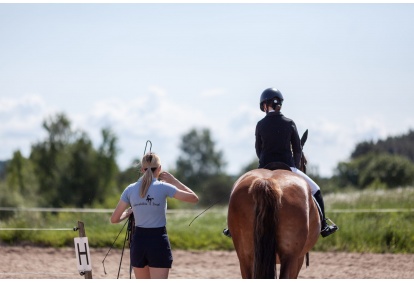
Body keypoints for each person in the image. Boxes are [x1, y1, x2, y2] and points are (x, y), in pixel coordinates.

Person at [223, 88, 338, 238]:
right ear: (280, 105)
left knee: (236, 190)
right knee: (316, 190)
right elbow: (297, 150)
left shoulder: (261, 124)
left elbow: (259, 150)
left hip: (264, 167)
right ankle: (323, 226)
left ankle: (231, 227)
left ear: (265, 105)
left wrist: (264, 164)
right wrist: (293, 169)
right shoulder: (289, 123)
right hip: (288, 166)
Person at [110, 152, 199, 279]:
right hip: (158, 241)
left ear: (142, 169)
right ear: (159, 169)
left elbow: (114, 219)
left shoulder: (130, 189)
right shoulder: (164, 187)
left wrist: (129, 212)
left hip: (139, 242)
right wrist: (174, 181)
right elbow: (194, 198)